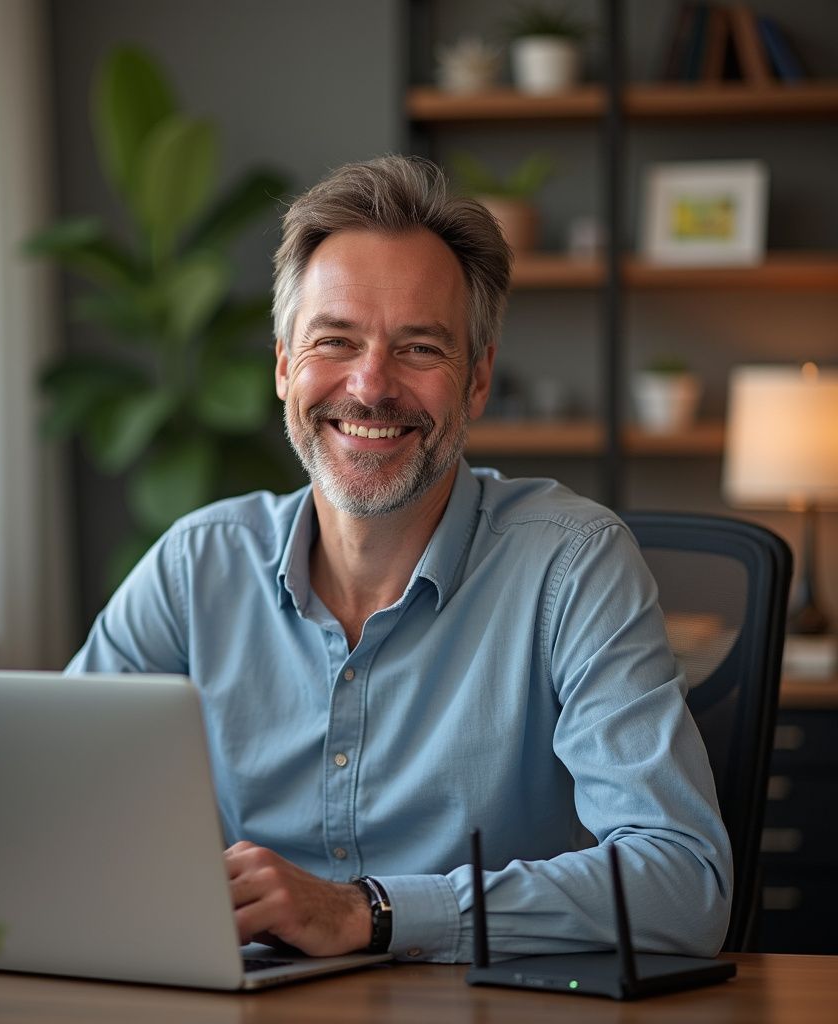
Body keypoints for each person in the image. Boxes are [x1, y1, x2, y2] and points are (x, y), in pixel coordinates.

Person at [66, 155, 731, 964]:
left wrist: (372, 913)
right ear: (283, 367)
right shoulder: (194, 568)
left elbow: (685, 882)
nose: (371, 386)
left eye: (419, 348)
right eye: (334, 340)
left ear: (477, 379)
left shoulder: (573, 566)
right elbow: (54, 806)